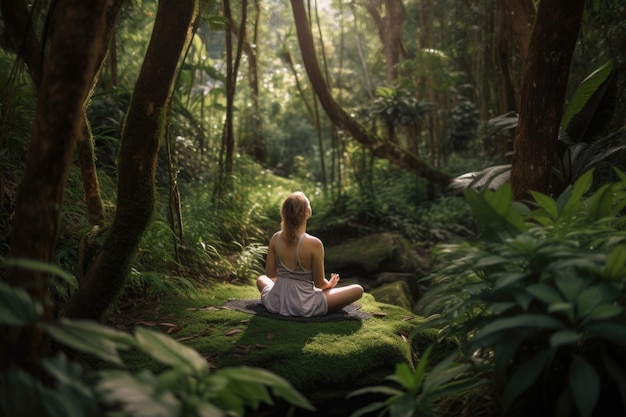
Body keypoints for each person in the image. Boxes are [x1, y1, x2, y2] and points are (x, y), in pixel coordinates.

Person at [256, 191, 364, 317]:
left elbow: (270, 274)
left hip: (276, 301)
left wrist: (289, 277)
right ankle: (300, 299)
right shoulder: (314, 243)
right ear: (307, 212)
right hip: (304, 305)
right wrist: (330, 284)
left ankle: (286, 295)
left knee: (261, 279)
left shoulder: (276, 237)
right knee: (358, 290)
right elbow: (319, 284)